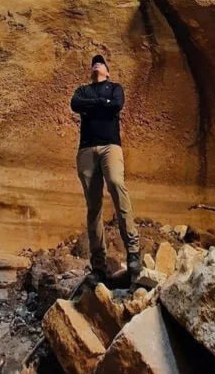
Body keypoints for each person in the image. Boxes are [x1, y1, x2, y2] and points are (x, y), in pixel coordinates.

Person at [70, 54, 141, 284]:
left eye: (101, 63)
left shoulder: (115, 88)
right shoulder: (82, 90)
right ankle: (99, 267)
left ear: (108, 72)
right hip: (86, 150)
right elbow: (75, 104)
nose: (97, 63)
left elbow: (117, 105)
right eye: (94, 63)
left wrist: (93, 106)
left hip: (110, 147)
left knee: (117, 185)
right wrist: (103, 104)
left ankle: (133, 252)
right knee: (94, 207)